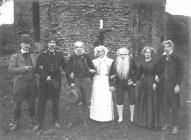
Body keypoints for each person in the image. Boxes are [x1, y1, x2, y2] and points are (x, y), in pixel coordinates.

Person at [32, 37, 66, 131]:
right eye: (50, 42)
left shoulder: (59, 55)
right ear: (47, 44)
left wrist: (71, 72)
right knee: (42, 102)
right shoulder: (42, 55)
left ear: (55, 45)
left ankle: (55, 120)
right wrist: (45, 75)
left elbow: (65, 67)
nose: (52, 44)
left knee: (55, 101)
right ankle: (39, 122)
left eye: (54, 42)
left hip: (56, 82)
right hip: (44, 82)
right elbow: (37, 69)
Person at [8, 34, 38, 131]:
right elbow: (11, 70)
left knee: (32, 102)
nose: (27, 45)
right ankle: (16, 122)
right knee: (18, 103)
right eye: (25, 43)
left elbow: (36, 68)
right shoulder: (15, 56)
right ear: (20, 44)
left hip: (31, 83)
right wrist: (23, 68)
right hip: (20, 83)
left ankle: (33, 119)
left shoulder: (33, 56)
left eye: (28, 43)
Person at [133, 46, 165, 129]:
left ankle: (153, 122)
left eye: (149, 52)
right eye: (146, 52)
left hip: (152, 83)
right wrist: (133, 80)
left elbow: (157, 73)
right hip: (144, 83)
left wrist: (155, 83)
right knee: (143, 100)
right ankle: (143, 121)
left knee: (151, 101)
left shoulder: (155, 62)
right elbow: (139, 74)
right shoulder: (142, 62)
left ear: (151, 54)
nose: (147, 54)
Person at [158, 40, 183, 134]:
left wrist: (178, 85)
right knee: (164, 105)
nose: (166, 48)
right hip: (163, 86)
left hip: (173, 86)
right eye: (164, 47)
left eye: (168, 46)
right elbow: (159, 69)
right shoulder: (163, 58)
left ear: (172, 47)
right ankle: (166, 122)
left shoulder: (177, 57)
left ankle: (175, 126)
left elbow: (181, 72)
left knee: (174, 106)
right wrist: (157, 75)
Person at [66, 41, 95, 120]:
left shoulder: (87, 57)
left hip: (86, 80)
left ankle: (85, 117)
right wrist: (71, 82)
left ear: (83, 48)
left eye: (80, 47)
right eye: (77, 47)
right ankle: (74, 117)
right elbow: (68, 71)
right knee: (76, 98)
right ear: (74, 49)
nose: (79, 49)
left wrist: (90, 77)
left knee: (86, 99)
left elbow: (92, 68)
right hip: (76, 80)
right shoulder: (72, 58)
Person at [109, 47, 136, 123]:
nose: (123, 56)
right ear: (118, 55)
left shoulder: (131, 61)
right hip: (119, 84)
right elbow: (111, 75)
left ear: (127, 54)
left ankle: (132, 116)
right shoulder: (115, 62)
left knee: (132, 99)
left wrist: (133, 80)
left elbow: (136, 71)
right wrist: (111, 84)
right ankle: (120, 117)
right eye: (121, 54)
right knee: (119, 99)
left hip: (130, 83)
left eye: (124, 54)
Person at [90, 45, 114, 122]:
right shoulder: (94, 61)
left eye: (102, 51)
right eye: (99, 51)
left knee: (106, 97)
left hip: (106, 80)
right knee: (97, 96)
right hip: (97, 80)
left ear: (105, 52)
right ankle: (96, 116)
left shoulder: (110, 61)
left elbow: (113, 72)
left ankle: (107, 116)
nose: (100, 53)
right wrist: (91, 72)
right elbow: (90, 71)